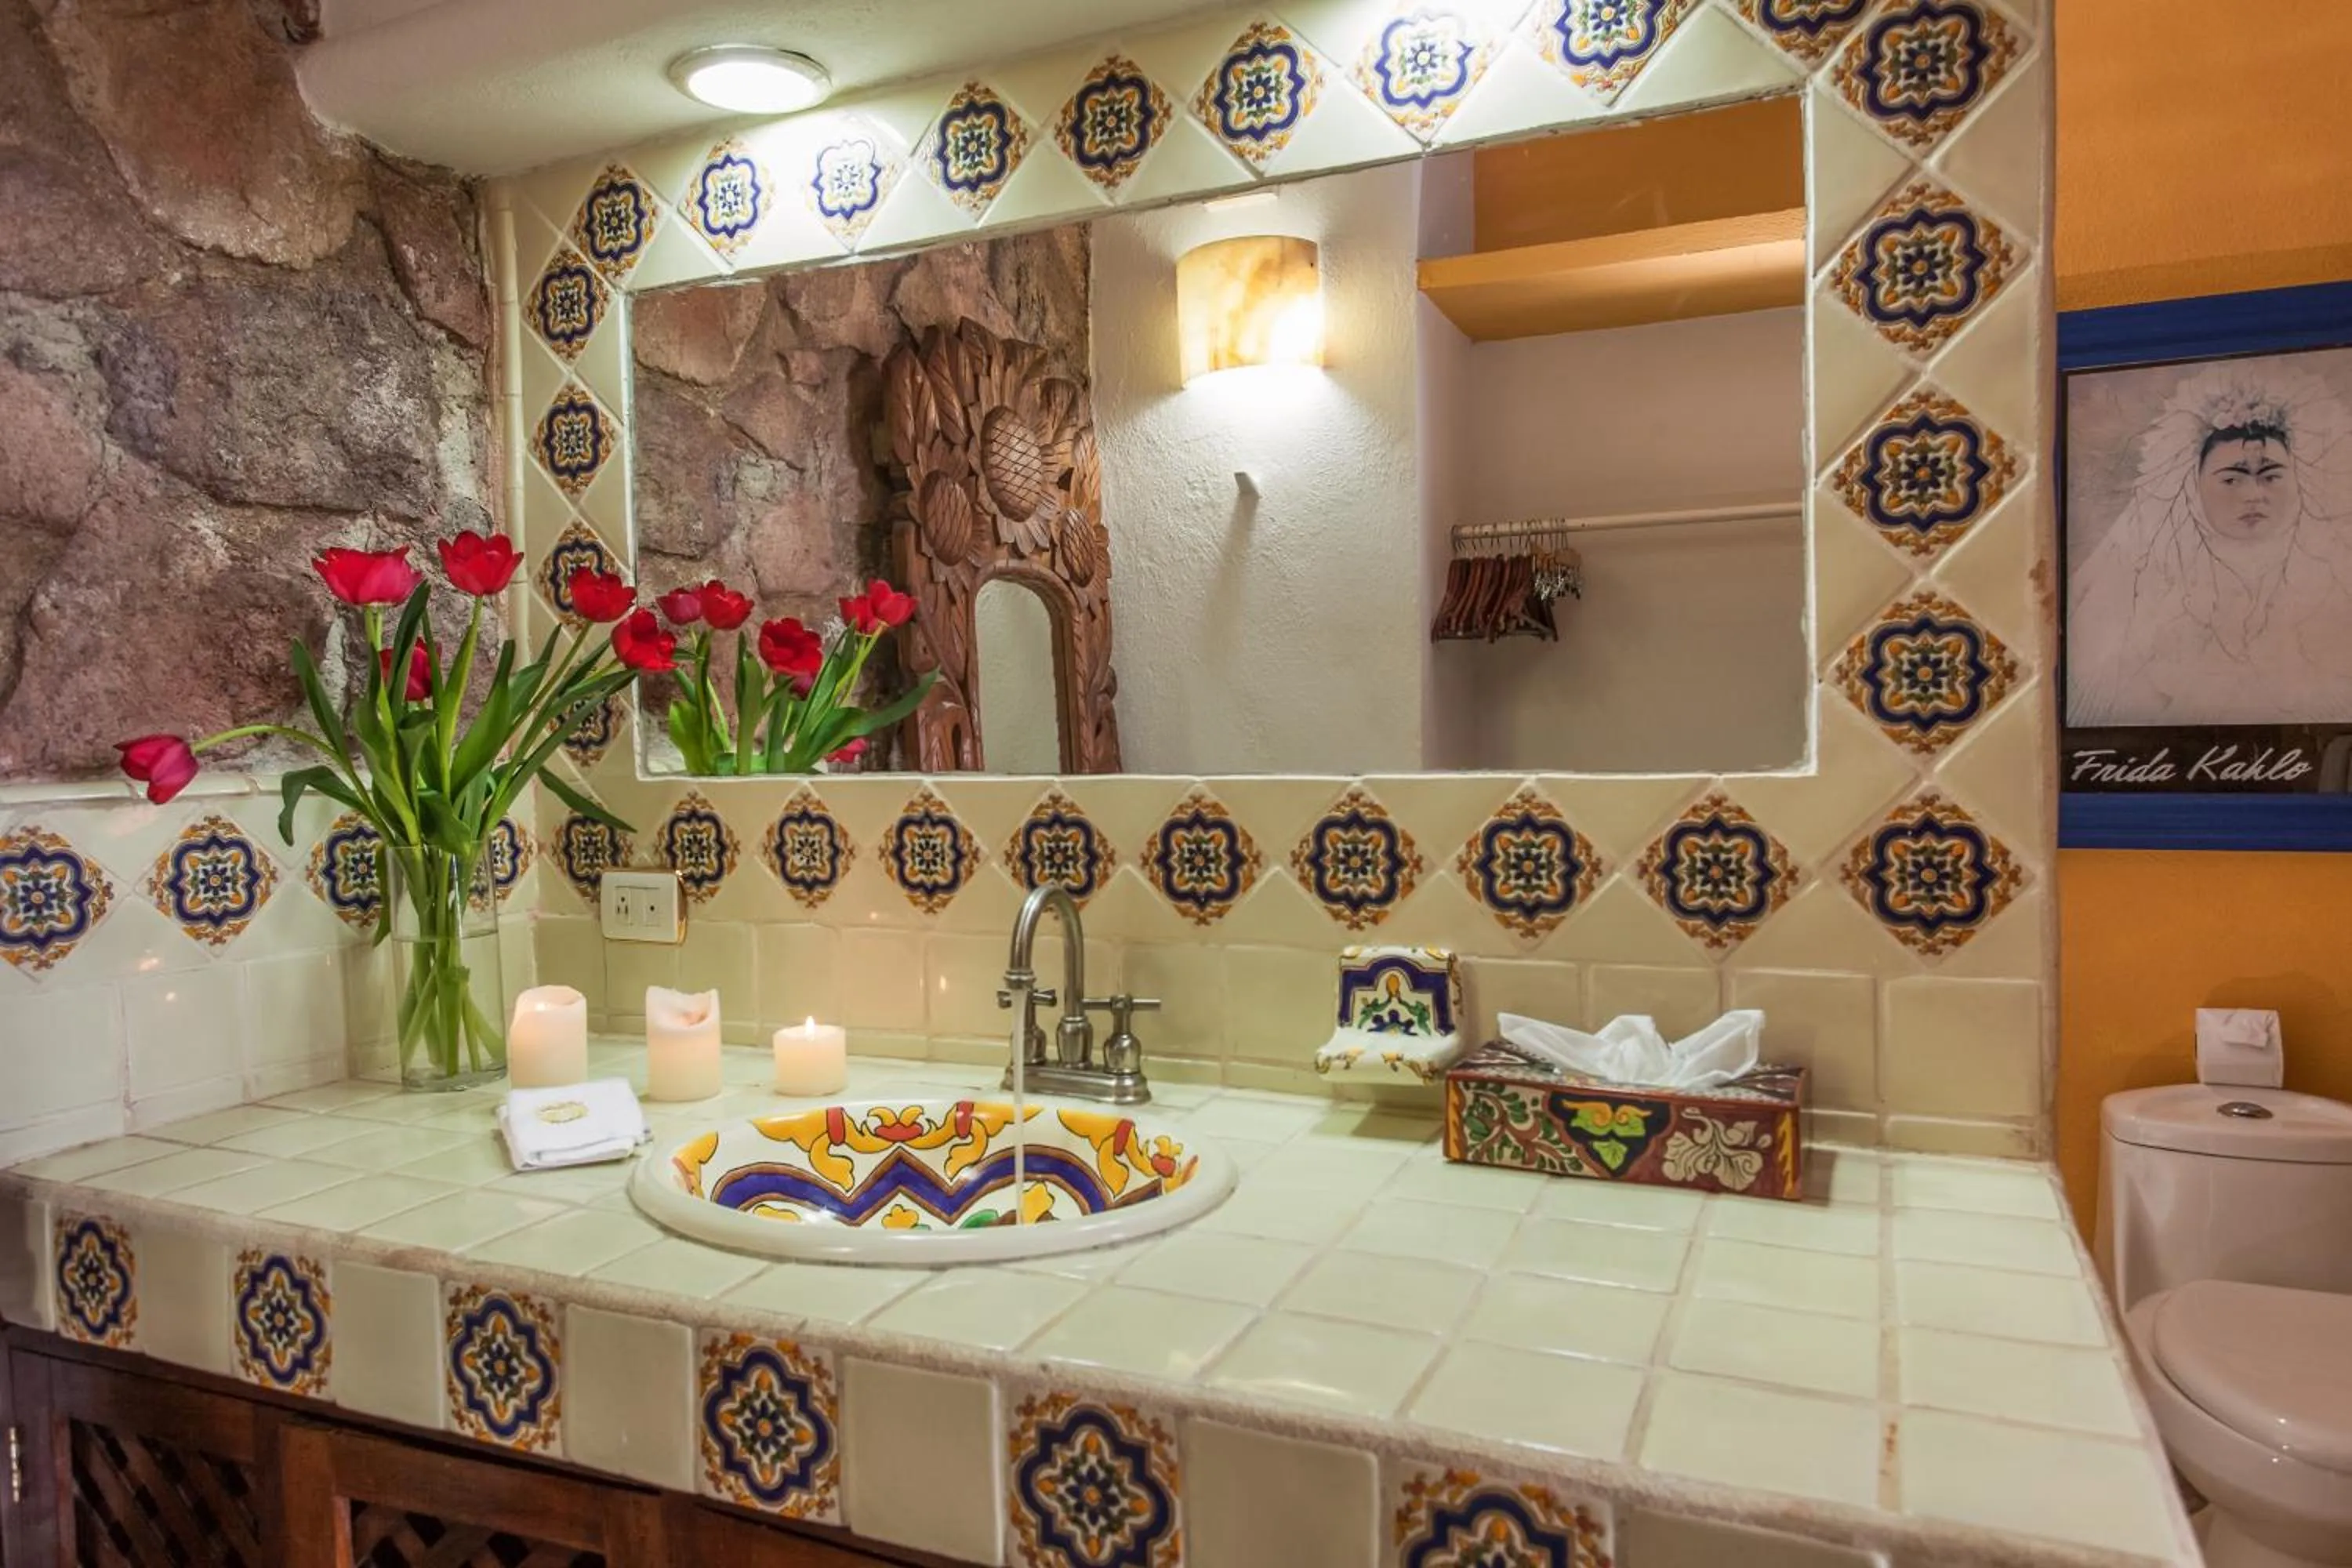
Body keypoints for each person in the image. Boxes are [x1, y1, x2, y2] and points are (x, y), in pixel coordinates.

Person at [2067, 359, 2352, 727]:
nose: (2254, 495)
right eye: (2231, 480)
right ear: (2193, 485)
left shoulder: (2333, 581)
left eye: (2271, 477)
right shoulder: (2150, 600)